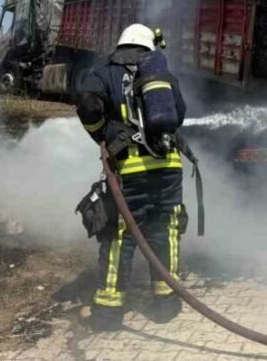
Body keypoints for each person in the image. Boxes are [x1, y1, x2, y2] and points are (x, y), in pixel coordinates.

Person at [76, 24, 188, 332]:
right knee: (165, 230)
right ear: (149, 49)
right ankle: (166, 304)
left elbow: (87, 106)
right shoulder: (164, 78)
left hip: (129, 173)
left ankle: (109, 312)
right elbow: (178, 115)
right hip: (168, 169)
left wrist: (102, 135)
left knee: (119, 236)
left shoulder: (104, 75)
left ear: (121, 46)